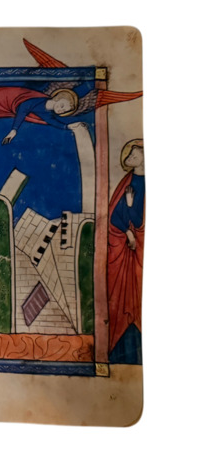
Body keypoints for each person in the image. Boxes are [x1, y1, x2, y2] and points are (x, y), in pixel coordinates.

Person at [107, 140, 145, 364]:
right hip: (125, 250)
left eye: (134, 156)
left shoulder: (145, 184)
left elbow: (140, 221)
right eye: (129, 156)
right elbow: (114, 215)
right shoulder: (128, 182)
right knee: (121, 299)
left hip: (139, 252)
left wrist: (130, 206)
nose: (129, 159)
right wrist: (128, 233)